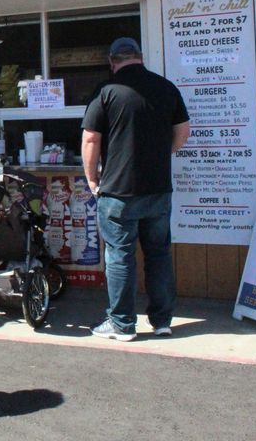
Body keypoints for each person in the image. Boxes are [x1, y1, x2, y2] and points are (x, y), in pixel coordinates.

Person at [81, 37, 190, 342]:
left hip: (118, 191)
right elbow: (183, 131)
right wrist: (161, 153)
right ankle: (162, 321)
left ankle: (122, 324)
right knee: (158, 255)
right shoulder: (166, 88)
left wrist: (91, 179)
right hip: (158, 189)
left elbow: (91, 140)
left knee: (120, 256)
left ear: (112, 61)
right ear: (140, 58)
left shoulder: (106, 92)